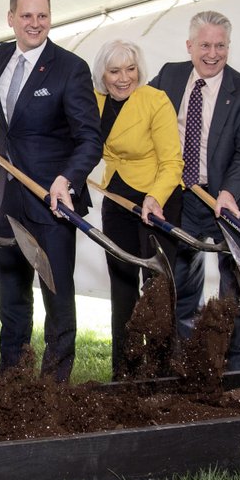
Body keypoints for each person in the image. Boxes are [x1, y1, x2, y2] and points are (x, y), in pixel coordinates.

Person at [0, 0, 100, 382]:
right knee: (11, 295)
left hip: (53, 202)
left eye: (42, 15)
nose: (35, 23)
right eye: (26, 15)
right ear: (10, 19)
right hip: (7, 198)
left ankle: (54, 386)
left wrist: (67, 179)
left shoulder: (70, 68)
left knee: (57, 298)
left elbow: (90, 139)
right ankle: (12, 376)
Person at [149, 10, 240, 370]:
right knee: (181, 287)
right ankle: (185, 366)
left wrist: (229, 191)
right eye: (204, 45)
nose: (212, 54)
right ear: (189, 46)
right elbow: (141, 116)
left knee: (238, 292)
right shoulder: (169, 76)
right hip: (182, 200)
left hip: (228, 205)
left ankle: (235, 371)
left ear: (229, 47)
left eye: (220, 46)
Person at [93, 40, 184, 379]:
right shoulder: (95, 100)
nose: (123, 78)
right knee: (122, 286)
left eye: (130, 69)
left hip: (156, 201)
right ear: (102, 73)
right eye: (114, 70)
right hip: (116, 198)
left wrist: (156, 197)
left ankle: (163, 371)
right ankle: (125, 371)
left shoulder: (155, 100)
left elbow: (173, 163)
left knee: (158, 289)